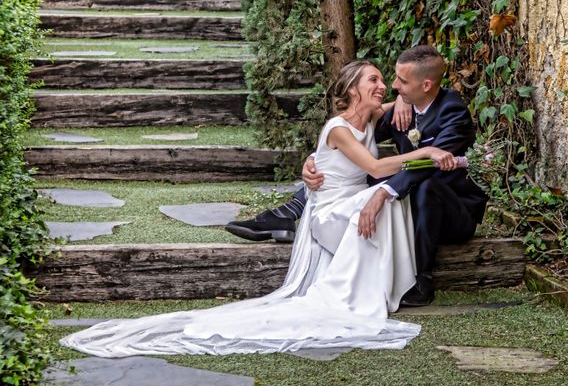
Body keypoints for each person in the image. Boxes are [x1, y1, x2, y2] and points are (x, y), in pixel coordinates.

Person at [59, 60, 459, 358]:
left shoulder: (372, 114)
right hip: (327, 215)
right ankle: (364, 294)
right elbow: (372, 167)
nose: (383, 86)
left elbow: (403, 106)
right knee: (379, 195)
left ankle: (387, 288)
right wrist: (423, 151)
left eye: (384, 81)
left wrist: (400, 104)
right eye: (373, 79)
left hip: (345, 201)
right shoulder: (339, 127)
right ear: (352, 89)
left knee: (385, 198)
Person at [227, 45, 488, 307]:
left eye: (400, 81)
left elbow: (428, 165)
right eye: (388, 79)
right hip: (376, 198)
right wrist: (316, 159)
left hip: (450, 209)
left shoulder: (452, 110)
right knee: (369, 181)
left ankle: (422, 280)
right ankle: (289, 212)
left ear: (427, 85)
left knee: (411, 185)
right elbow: (348, 142)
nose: (393, 86)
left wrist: (383, 192)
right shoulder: (402, 106)